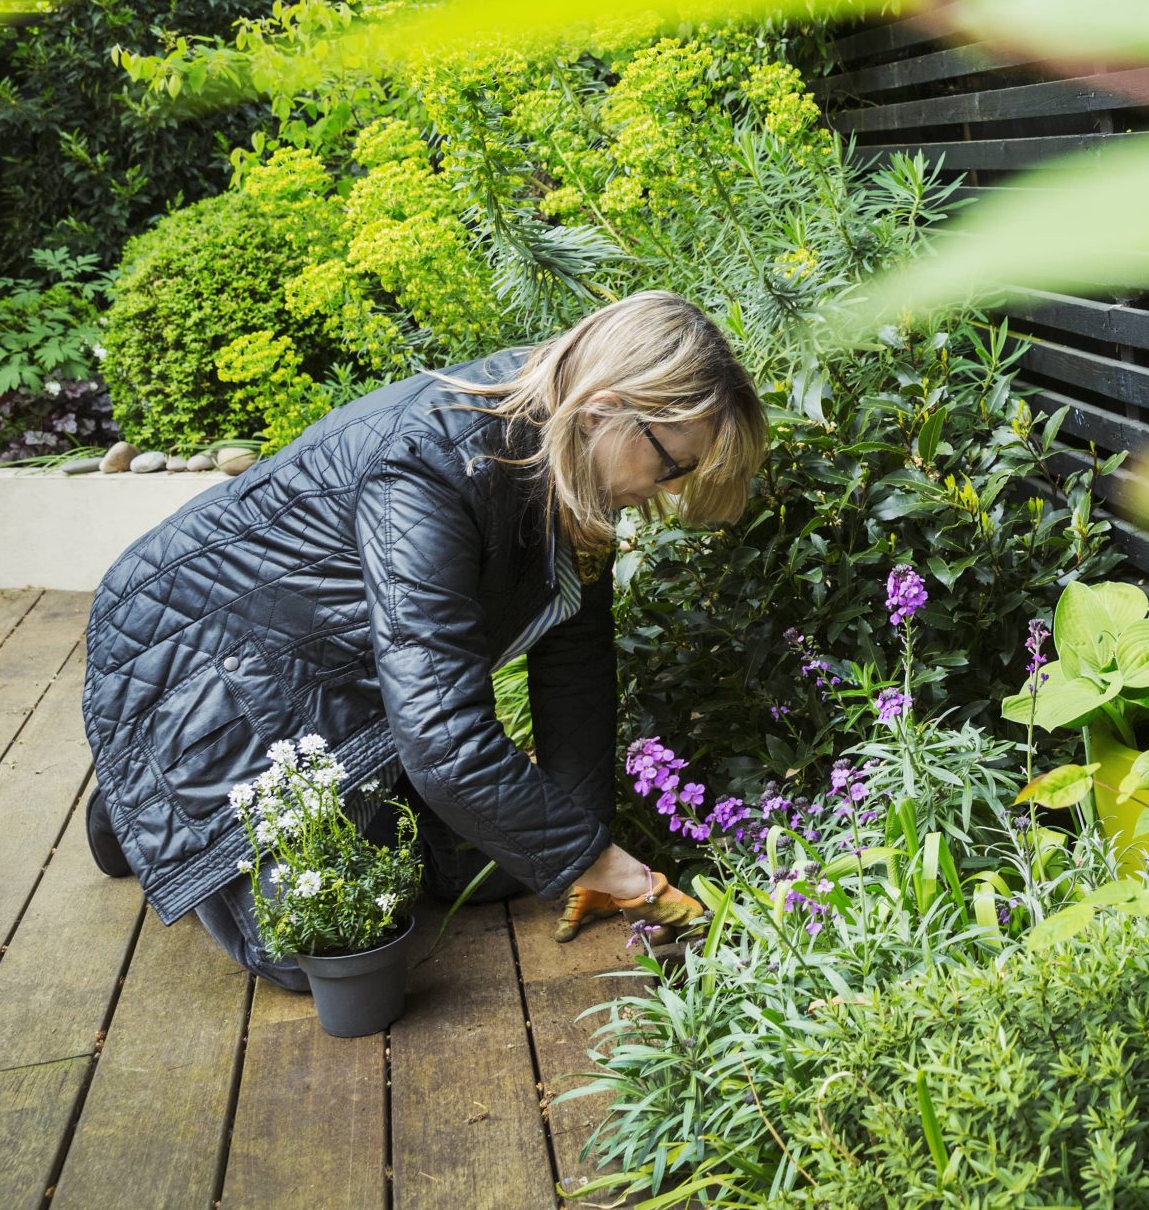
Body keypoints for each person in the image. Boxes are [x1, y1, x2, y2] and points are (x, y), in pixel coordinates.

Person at [79, 291, 768, 988]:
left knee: (494, 869)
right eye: (673, 466)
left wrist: (583, 849)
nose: (665, 491)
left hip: (335, 679)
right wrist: (622, 874)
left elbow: (573, 665)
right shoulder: (428, 464)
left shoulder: (574, 455)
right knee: (321, 939)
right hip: (189, 659)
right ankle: (143, 801)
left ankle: (156, 807)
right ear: (606, 408)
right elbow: (442, 737)